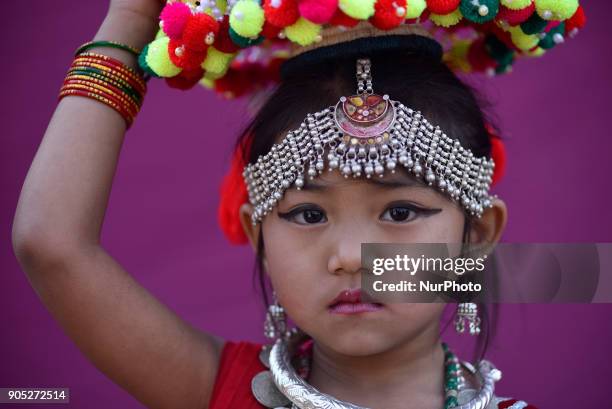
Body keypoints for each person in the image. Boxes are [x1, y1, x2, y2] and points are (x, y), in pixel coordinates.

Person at [12, 0, 586, 408]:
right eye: (308, 215)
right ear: (258, 236)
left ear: (479, 234)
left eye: (401, 212)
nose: (348, 257)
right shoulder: (218, 390)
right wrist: (131, 19)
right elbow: (50, 244)